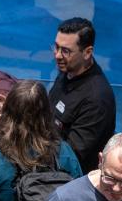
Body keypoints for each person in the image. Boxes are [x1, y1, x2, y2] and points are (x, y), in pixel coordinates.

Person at [48, 17, 116, 173]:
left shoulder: (97, 98)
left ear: (87, 52)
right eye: (56, 47)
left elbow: (71, 158)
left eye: (65, 51)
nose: (57, 55)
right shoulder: (67, 72)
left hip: (71, 180)